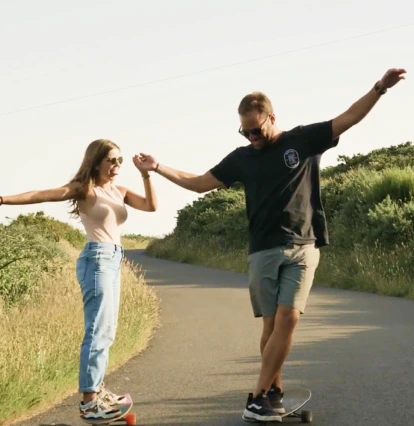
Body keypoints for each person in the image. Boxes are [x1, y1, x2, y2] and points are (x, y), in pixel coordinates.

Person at [133, 68, 406, 422]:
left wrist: (379, 89)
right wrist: (158, 167)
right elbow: (200, 183)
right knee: (270, 326)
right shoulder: (241, 158)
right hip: (262, 248)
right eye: (244, 131)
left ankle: (258, 395)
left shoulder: (302, 141)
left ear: (272, 118)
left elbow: (347, 119)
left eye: (256, 130)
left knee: (289, 319)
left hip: (303, 244)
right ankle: (272, 393)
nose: (251, 137)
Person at [0, 139, 157, 422]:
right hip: (96, 260)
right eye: (111, 160)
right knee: (97, 331)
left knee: (107, 330)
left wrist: (146, 174)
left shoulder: (118, 190)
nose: (117, 165)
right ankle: (88, 403)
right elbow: (42, 194)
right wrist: (2, 199)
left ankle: (97, 391)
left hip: (112, 259)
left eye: (119, 160)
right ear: (95, 162)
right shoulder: (85, 189)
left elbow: (151, 205)